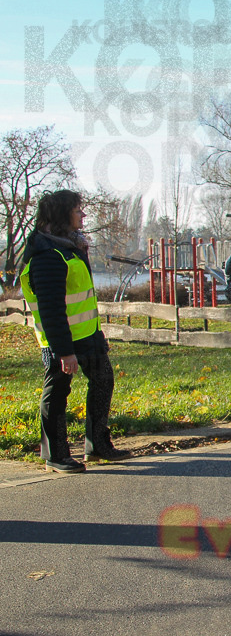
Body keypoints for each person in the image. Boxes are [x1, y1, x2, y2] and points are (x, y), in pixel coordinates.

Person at [18, 190, 129, 472]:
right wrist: (64, 352)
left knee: (103, 381)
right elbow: (52, 309)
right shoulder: (47, 255)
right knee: (57, 393)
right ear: (61, 215)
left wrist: (97, 334)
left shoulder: (70, 247)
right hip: (61, 340)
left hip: (87, 336)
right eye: (78, 210)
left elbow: (82, 298)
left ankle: (98, 446)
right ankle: (56, 455)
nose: (83, 214)